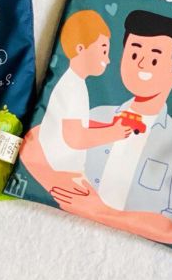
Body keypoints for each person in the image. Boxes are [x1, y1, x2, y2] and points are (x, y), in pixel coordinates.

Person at [24, 9, 172, 247]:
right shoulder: (96, 114)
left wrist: (103, 212)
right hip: (51, 228)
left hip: (130, 247)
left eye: (154, 59)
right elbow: (38, 140)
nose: (141, 64)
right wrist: (61, 189)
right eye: (133, 54)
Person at [37, 10, 131, 178]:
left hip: (62, 166)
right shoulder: (72, 87)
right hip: (61, 170)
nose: (108, 60)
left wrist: (109, 127)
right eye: (104, 51)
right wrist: (113, 133)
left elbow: (76, 124)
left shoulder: (75, 82)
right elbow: (73, 137)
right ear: (80, 49)